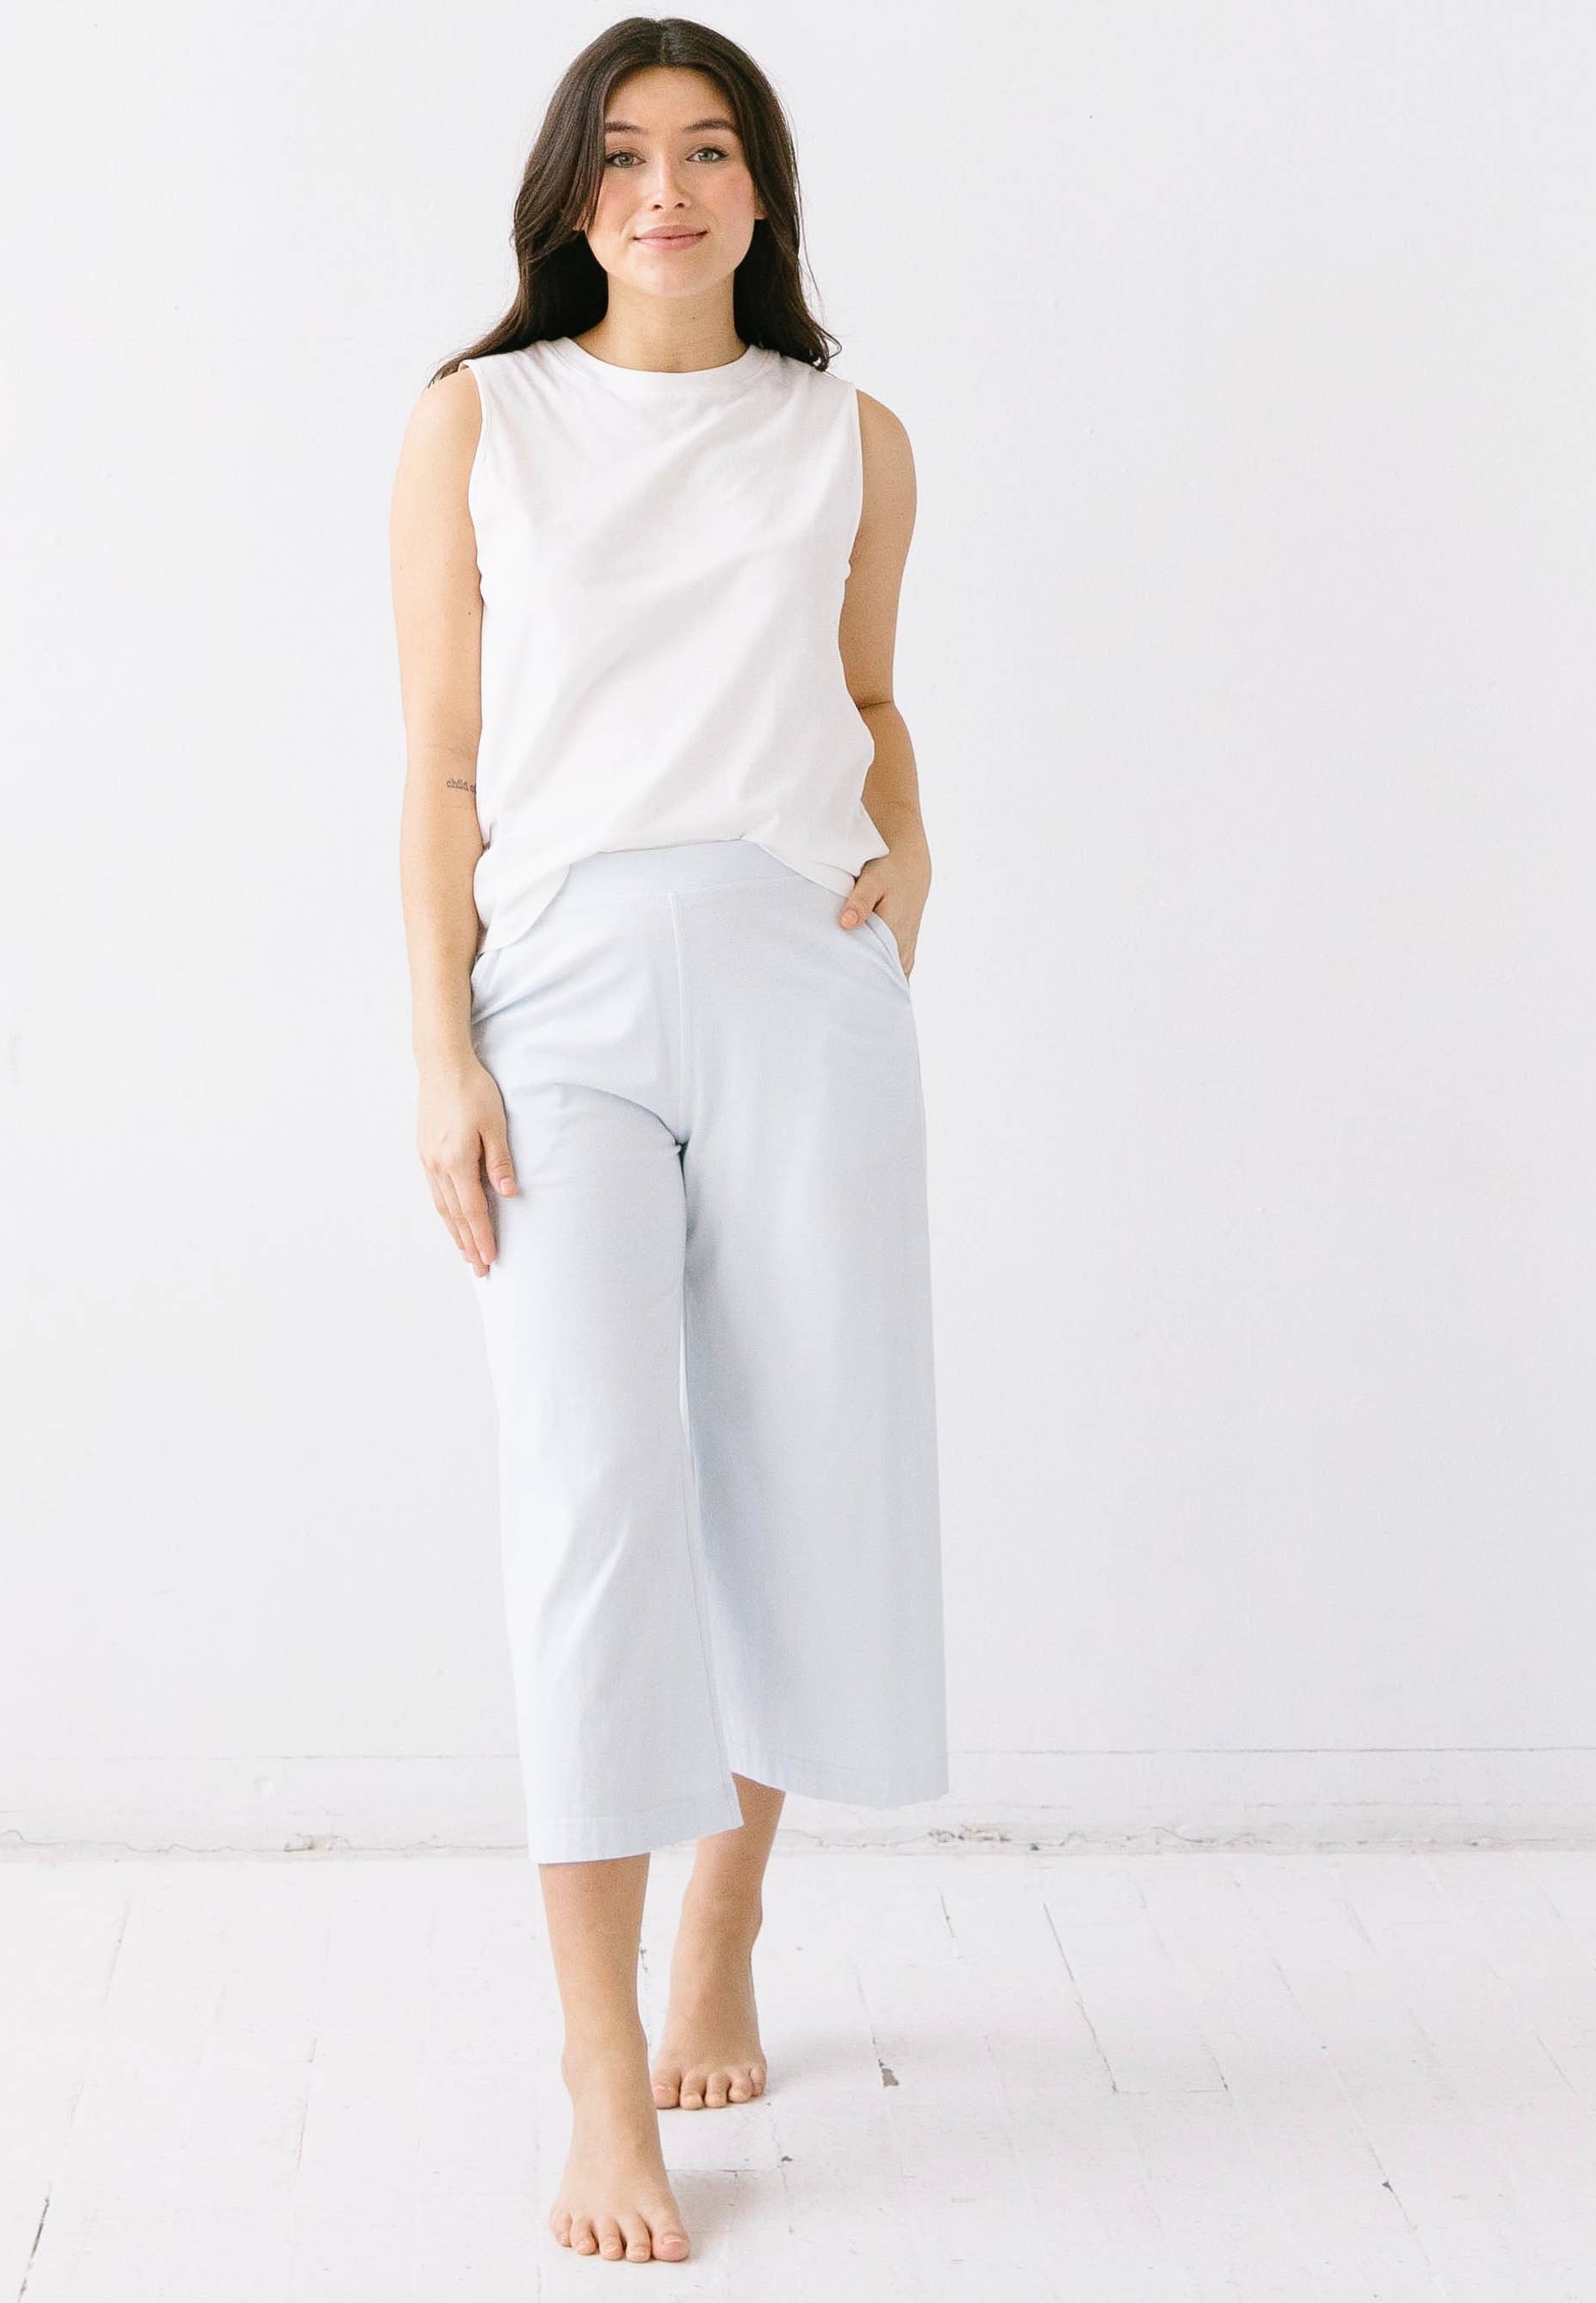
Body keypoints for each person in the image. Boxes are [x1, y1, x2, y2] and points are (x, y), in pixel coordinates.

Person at [389, 18, 946, 2268]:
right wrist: (440, 1053)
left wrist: (918, 856)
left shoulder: (848, 439)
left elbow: (871, 698)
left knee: (799, 1463)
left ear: (761, 191)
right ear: (573, 197)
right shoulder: (481, 421)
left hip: (802, 979)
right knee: (595, 1497)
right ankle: (601, 2068)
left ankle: (729, 1920)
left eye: (709, 152)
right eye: (623, 158)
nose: (667, 191)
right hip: (566, 993)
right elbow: (443, 765)